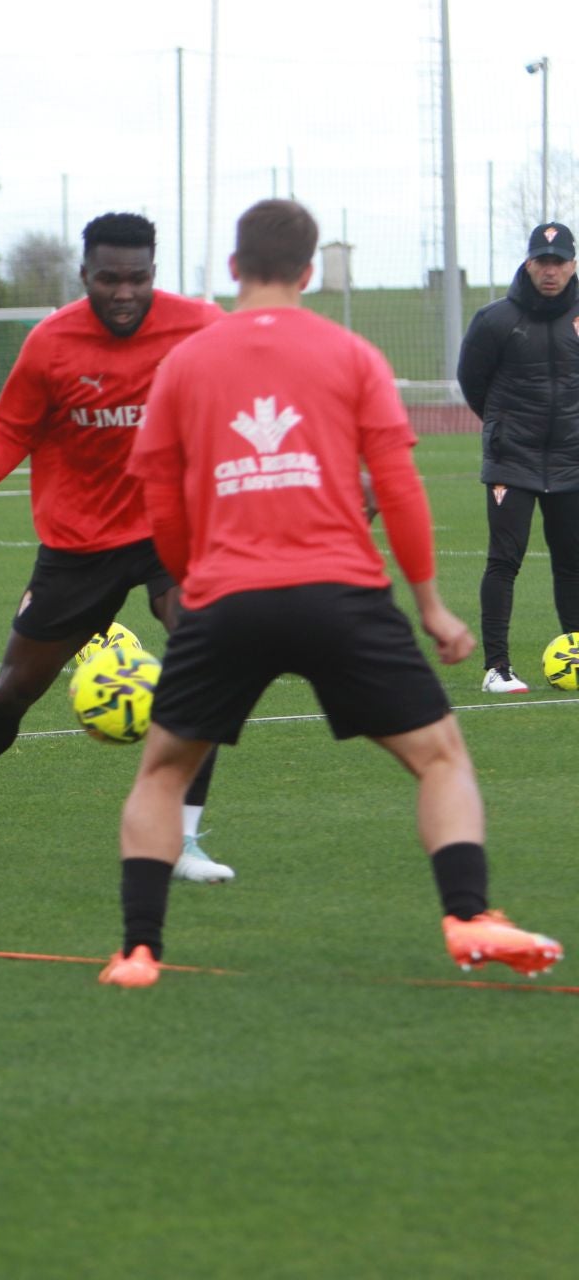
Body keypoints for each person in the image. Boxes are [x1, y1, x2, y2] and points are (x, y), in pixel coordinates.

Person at [97, 199, 561, 988]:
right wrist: (431, 606)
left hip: (225, 599)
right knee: (441, 758)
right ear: (310, 272)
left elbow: (159, 498)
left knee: (163, 773)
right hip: (340, 596)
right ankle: (470, 915)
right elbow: (399, 489)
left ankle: (140, 951)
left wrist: (185, 585)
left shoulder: (185, 362)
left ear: (234, 268)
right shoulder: (351, 354)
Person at [0, 213, 235, 883]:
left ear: (155, 273)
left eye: (139, 279)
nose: (125, 293)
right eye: (108, 279)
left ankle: (182, 839)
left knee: (203, 656)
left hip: (168, 527)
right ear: (84, 275)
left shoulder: (200, 325)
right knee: (16, 688)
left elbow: (259, 387)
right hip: (77, 540)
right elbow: (10, 432)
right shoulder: (51, 343)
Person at [455, 220, 579, 694]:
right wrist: (505, 427)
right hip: (514, 460)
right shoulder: (495, 320)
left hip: (571, 460)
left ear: (572, 265)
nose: (550, 271)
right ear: (528, 264)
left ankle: (575, 652)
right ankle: (497, 668)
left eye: (559, 262)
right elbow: (473, 383)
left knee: (572, 563)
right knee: (504, 561)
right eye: (542, 262)